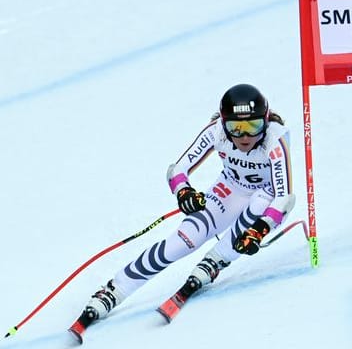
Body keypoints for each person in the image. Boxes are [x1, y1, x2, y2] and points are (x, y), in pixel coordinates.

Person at [69, 83, 295, 337]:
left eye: (253, 127)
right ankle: (115, 289)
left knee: (258, 208)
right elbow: (177, 170)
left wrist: (261, 228)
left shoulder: (275, 139)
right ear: (224, 124)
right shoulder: (216, 132)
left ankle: (218, 258)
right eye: (236, 128)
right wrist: (184, 192)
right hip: (229, 190)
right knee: (182, 242)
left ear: (265, 121)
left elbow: (284, 197)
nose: (244, 136)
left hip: (265, 195)